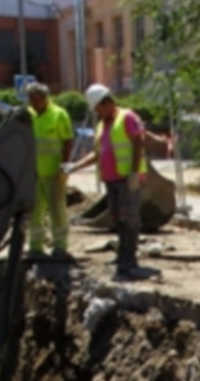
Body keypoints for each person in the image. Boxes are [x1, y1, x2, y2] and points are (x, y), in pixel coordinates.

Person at [64, 84, 159, 281]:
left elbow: (138, 142)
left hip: (127, 179)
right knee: (117, 219)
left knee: (129, 218)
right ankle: (123, 258)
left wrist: (134, 173)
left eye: (98, 108)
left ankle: (130, 262)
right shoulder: (102, 125)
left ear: (107, 102)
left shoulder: (127, 117)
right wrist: (74, 167)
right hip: (112, 179)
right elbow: (98, 154)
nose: (97, 113)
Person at [26, 82, 74, 260]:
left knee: (57, 209)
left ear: (45, 98)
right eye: (31, 100)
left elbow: (67, 141)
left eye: (37, 100)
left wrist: (64, 166)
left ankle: (60, 246)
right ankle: (35, 245)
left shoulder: (59, 115)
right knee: (35, 211)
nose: (33, 104)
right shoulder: (29, 115)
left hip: (54, 172)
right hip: (35, 173)